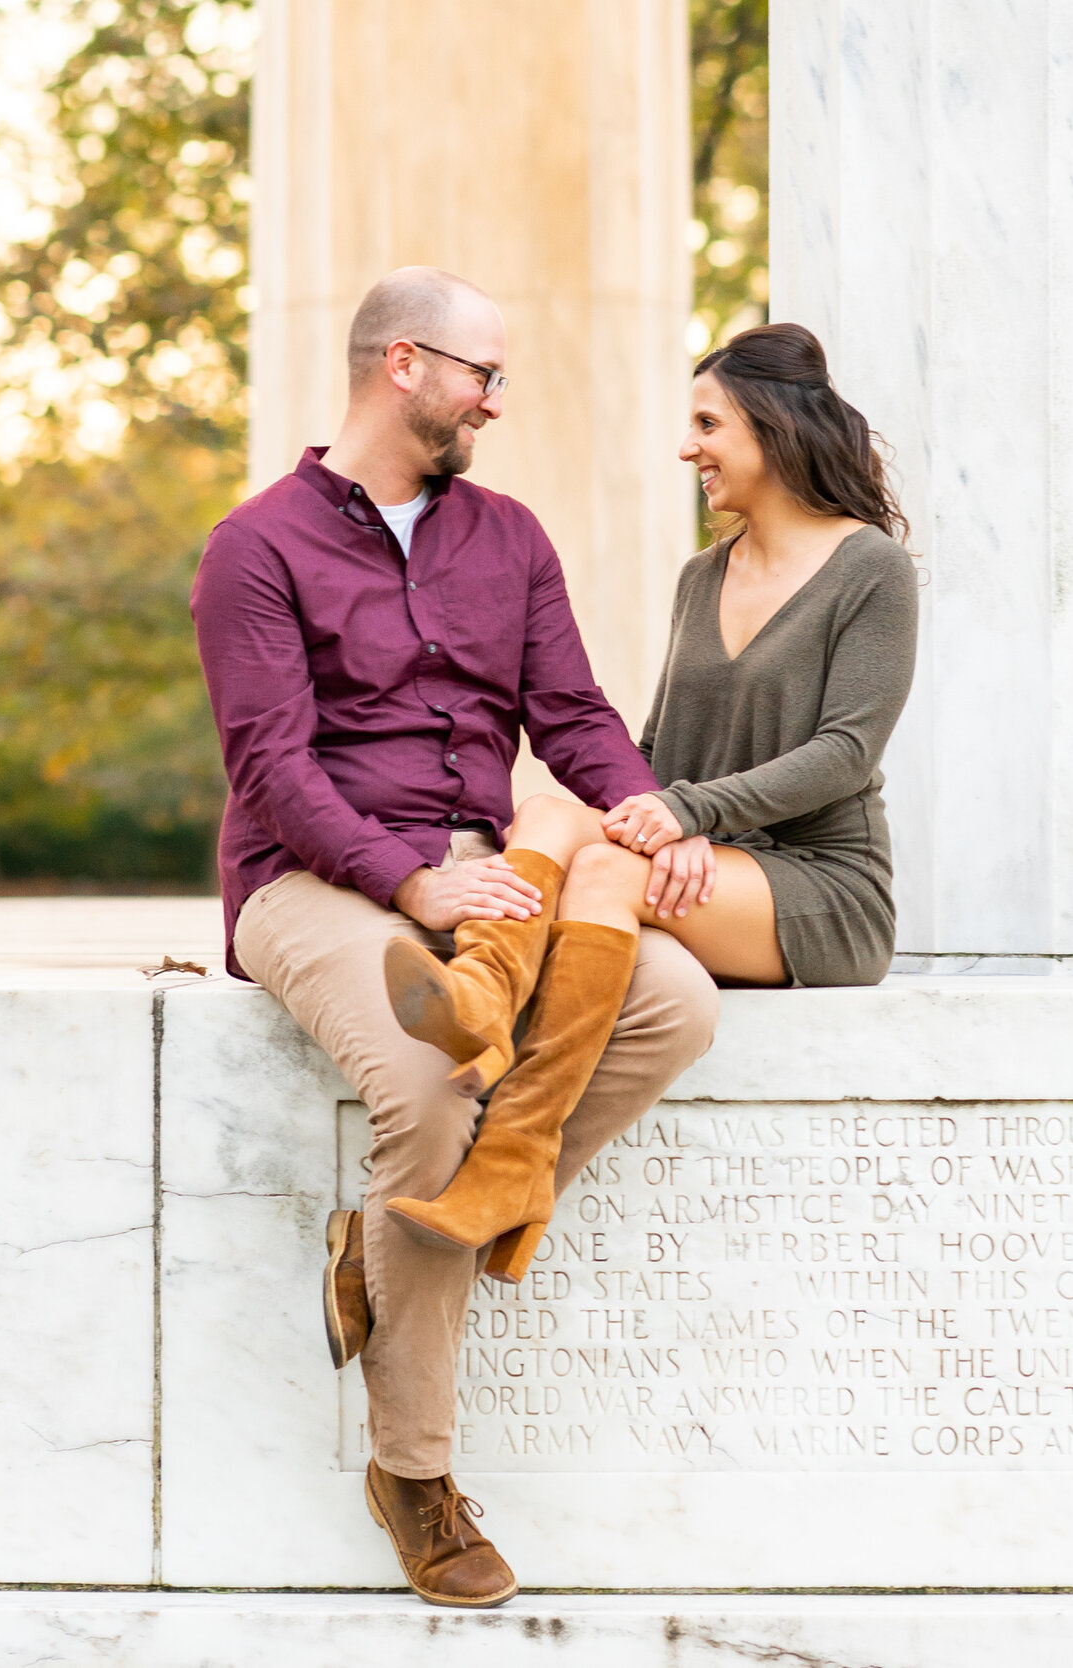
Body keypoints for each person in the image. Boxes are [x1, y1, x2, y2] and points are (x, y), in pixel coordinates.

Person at [190, 267, 719, 1611]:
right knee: (428, 1088)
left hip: (484, 873)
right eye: (486, 373)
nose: (500, 399)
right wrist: (408, 884)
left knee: (670, 1003)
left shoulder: (512, 539)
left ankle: (388, 1243)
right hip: (313, 881)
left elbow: (575, 713)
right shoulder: (256, 549)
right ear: (406, 365)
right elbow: (271, 768)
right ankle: (413, 1477)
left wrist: (645, 808)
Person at [379, 318, 916, 1326]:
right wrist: (641, 814)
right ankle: (482, 998)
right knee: (548, 807)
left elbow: (846, 752)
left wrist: (679, 820)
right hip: (702, 859)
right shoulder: (699, 578)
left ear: (771, 425)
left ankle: (517, 1152)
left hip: (816, 887)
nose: (688, 447)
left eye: (707, 422)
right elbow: (660, 750)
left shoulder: (868, 571)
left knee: (610, 863)